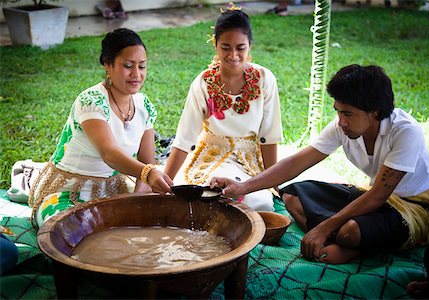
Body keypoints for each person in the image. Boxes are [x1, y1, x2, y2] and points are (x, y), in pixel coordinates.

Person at [211, 64, 429, 264]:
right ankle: (341, 238)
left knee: (351, 231)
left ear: (374, 112)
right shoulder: (343, 126)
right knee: (292, 195)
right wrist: (243, 187)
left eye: (348, 114)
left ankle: (346, 242)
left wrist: (324, 227)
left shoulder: (406, 132)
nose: (341, 121)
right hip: (374, 201)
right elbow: (297, 162)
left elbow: (377, 196)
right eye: (338, 112)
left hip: (412, 208)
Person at [29, 28, 173, 228]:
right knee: (74, 231)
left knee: (154, 223)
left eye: (142, 66)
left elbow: (147, 162)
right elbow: (109, 153)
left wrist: (137, 199)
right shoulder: (91, 101)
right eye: (128, 66)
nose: (137, 74)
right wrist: (148, 174)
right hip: (69, 192)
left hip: (113, 190)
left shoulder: (143, 105)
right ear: (108, 64)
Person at [164, 3, 283, 211]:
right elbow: (185, 138)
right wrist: (166, 182)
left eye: (240, 48)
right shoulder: (203, 83)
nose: (233, 55)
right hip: (211, 158)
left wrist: (274, 183)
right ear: (215, 45)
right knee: (210, 195)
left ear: (250, 46)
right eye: (225, 47)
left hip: (249, 162)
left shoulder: (264, 79)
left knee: (262, 203)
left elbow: (269, 136)